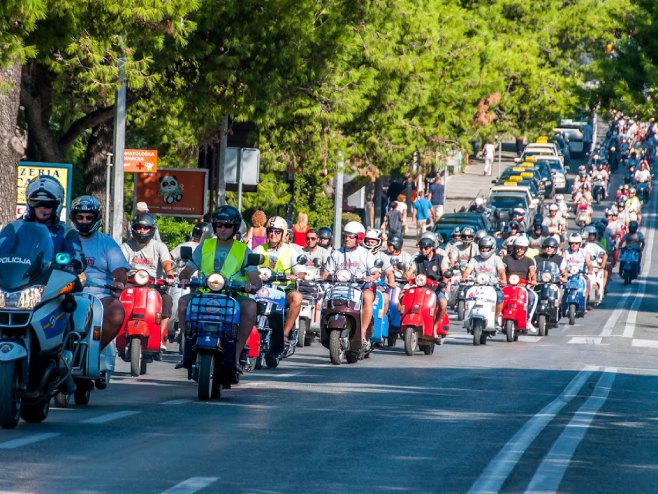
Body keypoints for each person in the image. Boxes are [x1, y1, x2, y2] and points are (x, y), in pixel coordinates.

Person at [176, 205, 262, 372]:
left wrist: (252, 285)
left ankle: (236, 355)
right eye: (219, 225)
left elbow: (255, 277)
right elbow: (186, 271)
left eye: (228, 225)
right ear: (214, 226)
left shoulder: (243, 250)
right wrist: (184, 279)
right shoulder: (205, 245)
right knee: (182, 303)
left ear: (235, 227)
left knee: (250, 307)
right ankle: (187, 348)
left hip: (233, 295)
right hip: (204, 293)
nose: (223, 229)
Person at [70, 196, 129, 352]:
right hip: (65, 292)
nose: (84, 221)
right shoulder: (65, 238)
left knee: (116, 311)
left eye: (89, 217)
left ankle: (92, 352)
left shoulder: (106, 242)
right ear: (74, 218)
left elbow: (120, 270)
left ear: (96, 218)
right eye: (80, 217)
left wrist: (118, 281)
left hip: (100, 296)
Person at [121, 213, 175, 351]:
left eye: (146, 228)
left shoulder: (159, 246)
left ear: (151, 229)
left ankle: (160, 334)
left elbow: (166, 261)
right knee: (117, 301)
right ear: (133, 229)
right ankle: (118, 335)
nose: (142, 231)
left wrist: (169, 274)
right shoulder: (127, 246)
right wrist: (118, 276)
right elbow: (120, 262)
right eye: (139, 227)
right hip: (131, 282)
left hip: (154, 283)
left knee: (167, 300)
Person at [322, 221, 381, 347]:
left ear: (359, 238)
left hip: (360, 287)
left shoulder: (366, 254)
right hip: (340, 287)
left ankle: (363, 333)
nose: (347, 239)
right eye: (345, 236)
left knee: (368, 297)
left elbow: (376, 272)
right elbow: (327, 272)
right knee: (324, 294)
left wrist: (371, 276)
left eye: (350, 236)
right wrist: (320, 278)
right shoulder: (337, 253)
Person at [255, 216, 306, 350]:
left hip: (284, 290)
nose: (273, 234)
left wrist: (296, 276)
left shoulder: (290, 251)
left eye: (277, 231)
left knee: (297, 297)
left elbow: (301, 271)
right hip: (263, 289)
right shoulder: (259, 249)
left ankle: (284, 333)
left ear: (283, 233)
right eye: (271, 230)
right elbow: (249, 266)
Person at [23, 175, 86, 273]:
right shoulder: (17, 229)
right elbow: (4, 249)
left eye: (48, 204)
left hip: (52, 282)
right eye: (36, 202)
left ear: (57, 206)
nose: (42, 208)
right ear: (29, 204)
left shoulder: (67, 232)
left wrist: (73, 263)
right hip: (18, 280)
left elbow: (78, 257)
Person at [461, 235, 507, 328]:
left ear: (492, 248)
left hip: (492, 285)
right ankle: (467, 317)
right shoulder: (475, 259)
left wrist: (503, 279)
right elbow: (468, 270)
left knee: (500, 296)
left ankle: (495, 318)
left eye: (487, 248)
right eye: (482, 248)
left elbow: (501, 271)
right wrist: (464, 277)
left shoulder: (496, 258)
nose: (484, 250)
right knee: (465, 293)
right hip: (476, 284)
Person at [410, 232, 449, 331]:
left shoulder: (441, 258)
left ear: (432, 247)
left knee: (443, 303)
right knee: (402, 297)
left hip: (436, 288)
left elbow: (445, 273)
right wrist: (405, 277)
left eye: (426, 248)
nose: (423, 250)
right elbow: (409, 272)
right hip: (419, 288)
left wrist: (444, 282)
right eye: (421, 248)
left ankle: (435, 326)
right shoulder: (417, 259)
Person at [502, 236, 538, 331]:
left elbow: (532, 272)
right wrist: (502, 280)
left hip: (522, 287)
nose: (519, 250)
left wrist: (533, 280)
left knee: (532, 297)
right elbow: (501, 271)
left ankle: (528, 319)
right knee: (499, 297)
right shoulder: (506, 259)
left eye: (522, 248)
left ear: (525, 249)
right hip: (507, 286)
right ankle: (498, 318)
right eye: (517, 247)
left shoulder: (529, 260)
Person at [562, 232, 593, 302]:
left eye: (576, 243)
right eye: (572, 243)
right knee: (561, 286)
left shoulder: (584, 252)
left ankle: (584, 301)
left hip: (580, 274)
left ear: (580, 244)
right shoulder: (565, 252)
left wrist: (590, 269)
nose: (574, 245)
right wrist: (563, 271)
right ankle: (562, 303)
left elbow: (589, 263)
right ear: (569, 243)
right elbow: (561, 263)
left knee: (588, 282)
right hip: (568, 275)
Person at [582, 225, 608, 299]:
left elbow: (604, 255)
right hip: (580, 269)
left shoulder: (596, 245)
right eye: (590, 234)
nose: (591, 236)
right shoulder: (580, 246)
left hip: (592, 268)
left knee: (593, 283)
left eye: (593, 234)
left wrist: (602, 265)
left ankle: (594, 296)